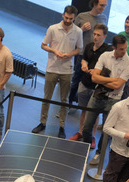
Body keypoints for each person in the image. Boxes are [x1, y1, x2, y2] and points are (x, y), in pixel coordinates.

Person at [80, 34, 129, 165]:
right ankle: (86, 148)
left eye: (125, 48)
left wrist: (103, 79)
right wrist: (113, 79)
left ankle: (99, 153)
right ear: (114, 47)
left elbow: (118, 86)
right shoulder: (104, 56)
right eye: (121, 49)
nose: (124, 51)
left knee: (106, 130)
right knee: (87, 126)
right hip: (97, 95)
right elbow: (94, 78)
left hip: (114, 100)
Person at [31, 5, 83, 139]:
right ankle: (42, 123)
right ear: (63, 15)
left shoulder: (78, 31)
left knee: (64, 100)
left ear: (74, 18)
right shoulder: (52, 29)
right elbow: (43, 45)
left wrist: (69, 54)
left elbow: (79, 49)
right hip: (52, 68)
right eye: (66, 17)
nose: (68, 20)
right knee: (46, 98)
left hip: (67, 70)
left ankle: (62, 126)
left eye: (71, 19)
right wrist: (54, 51)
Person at [68, 23, 112, 143]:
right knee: (83, 110)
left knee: (94, 113)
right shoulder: (88, 46)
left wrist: (96, 72)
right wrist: (83, 64)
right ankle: (81, 132)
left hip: (97, 87)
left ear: (104, 36)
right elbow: (84, 58)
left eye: (98, 35)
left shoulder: (108, 51)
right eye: (94, 34)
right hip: (84, 83)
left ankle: (91, 136)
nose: (95, 37)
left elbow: (108, 67)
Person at [68, 0, 108, 106]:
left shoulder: (103, 18)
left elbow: (104, 35)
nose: (103, 8)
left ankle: (85, 105)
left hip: (96, 56)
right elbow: (72, 35)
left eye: (105, 6)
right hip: (82, 54)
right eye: (102, 5)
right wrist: (82, 29)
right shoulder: (82, 16)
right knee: (76, 79)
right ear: (94, 4)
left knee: (91, 81)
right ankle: (69, 103)